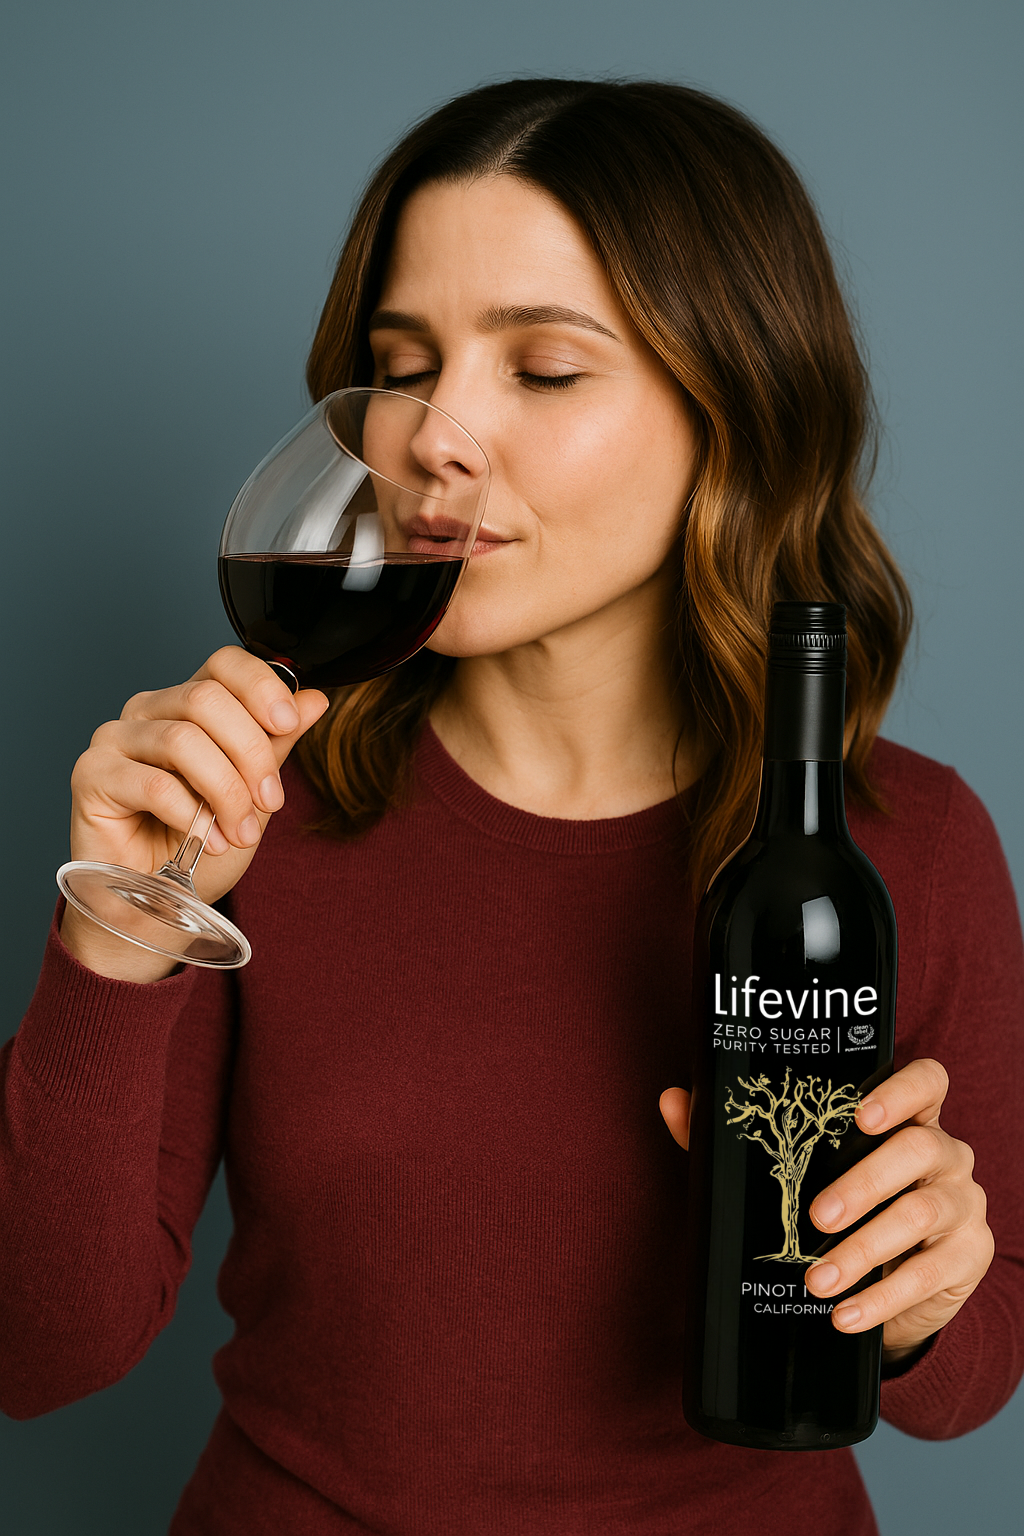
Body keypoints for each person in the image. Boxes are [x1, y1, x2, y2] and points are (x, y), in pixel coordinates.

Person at [1, 77, 1021, 1536]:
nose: (437, 438)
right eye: (403, 366)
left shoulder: (901, 844)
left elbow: (975, 1376)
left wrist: (921, 1292)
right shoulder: (252, 812)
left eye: (543, 370)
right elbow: (36, 1355)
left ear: (732, 405)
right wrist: (116, 932)